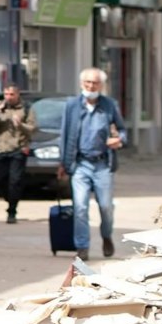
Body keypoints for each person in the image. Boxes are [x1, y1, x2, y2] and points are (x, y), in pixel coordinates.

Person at [56, 67, 127, 259]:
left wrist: (118, 140)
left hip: (103, 164)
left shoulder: (109, 105)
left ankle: (106, 235)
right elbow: (64, 134)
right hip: (80, 164)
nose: (91, 86)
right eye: (87, 82)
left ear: (101, 85)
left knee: (105, 207)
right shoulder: (72, 105)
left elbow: (122, 130)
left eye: (95, 83)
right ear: (81, 83)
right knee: (80, 207)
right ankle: (82, 247)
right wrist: (63, 163)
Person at [0, 85, 38, 224]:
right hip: (0, 148)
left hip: (18, 149)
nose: (8, 97)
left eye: (11, 94)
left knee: (15, 181)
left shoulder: (26, 108)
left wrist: (20, 125)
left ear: (18, 94)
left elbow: (33, 129)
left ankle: (12, 211)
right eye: (6, 94)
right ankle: (11, 200)